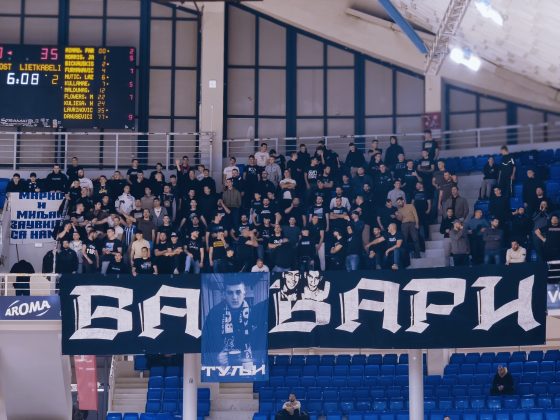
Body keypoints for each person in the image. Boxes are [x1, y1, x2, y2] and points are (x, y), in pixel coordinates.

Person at [202, 276, 267, 369]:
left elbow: (261, 343)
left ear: (244, 293)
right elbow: (205, 343)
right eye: (230, 293)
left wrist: (255, 358)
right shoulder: (214, 314)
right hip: (224, 368)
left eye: (238, 292)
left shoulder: (254, 313)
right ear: (224, 294)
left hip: (249, 366)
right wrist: (216, 357)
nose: (234, 297)